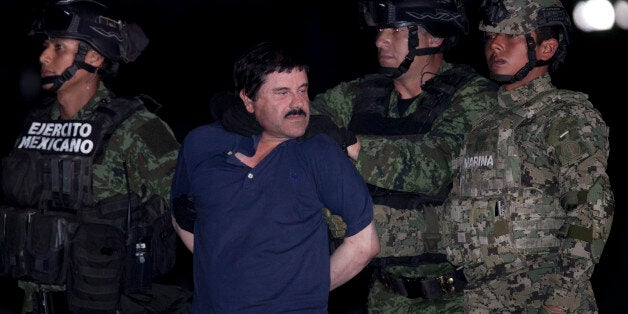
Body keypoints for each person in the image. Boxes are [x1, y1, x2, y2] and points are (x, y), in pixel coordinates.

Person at [214, 1, 498, 312]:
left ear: (435, 37)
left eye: (395, 30)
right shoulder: (362, 93)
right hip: (383, 295)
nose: (380, 41)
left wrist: (350, 144)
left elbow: (439, 166)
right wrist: (247, 109)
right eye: (380, 30)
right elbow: (294, 119)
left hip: (455, 298)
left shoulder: (474, 96)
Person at [0, 0, 189, 313]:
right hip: (34, 304)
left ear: (95, 57)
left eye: (59, 47)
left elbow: (191, 212)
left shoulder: (137, 128)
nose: (43, 56)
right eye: (47, 45)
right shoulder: (36, 125)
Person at [170, 41, 380, 313]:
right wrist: (220, 271)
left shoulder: (319, 151)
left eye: (303, 90)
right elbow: (180, 214)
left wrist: (302, 290)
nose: (298, 103)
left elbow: (365, 243)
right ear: (248, 99)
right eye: (282, 92)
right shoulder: (202, 144)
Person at [439, 0, 615, 312]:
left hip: (543, 297)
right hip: (480, 300)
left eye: (511, 37)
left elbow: (590, 209)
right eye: (491, 36)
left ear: (546, 49)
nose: (496, 46)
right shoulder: (482, 124)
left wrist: (561, 301)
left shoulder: (563, 115)